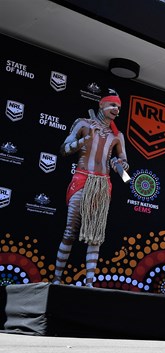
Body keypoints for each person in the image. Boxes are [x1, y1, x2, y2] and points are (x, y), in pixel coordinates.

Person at [52, 91, 130, 287]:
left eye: (118, 107)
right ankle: (56, 280)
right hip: (82, 179)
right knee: (70, 231)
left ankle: (89, 283)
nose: (116, 110)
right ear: (101, 106)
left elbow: (124, 168)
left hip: (102, 184)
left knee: (95, 236)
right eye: (113, 105)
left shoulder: (117, 135)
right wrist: (84, 140)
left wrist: (121, 165)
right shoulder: (83, 123)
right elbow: (63, 149)